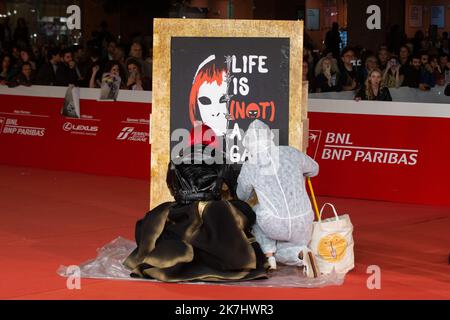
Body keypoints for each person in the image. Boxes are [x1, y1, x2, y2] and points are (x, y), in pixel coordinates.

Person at [123, 125, 267, 282]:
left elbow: (172, 188)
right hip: (212, 209)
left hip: (181, 210)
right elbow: (235, 192)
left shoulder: (175, 160)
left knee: (152, 222)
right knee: (244, 211)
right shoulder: (221, 158)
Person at [236, 120, 320, 278]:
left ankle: (269, 257)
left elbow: (242, 196)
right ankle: (302, 253)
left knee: (256, 213)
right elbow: (315, 169)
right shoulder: (291, 153)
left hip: (274, 223)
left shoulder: (250, 165)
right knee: (290, 244)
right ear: (269, 136)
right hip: (304, 221)